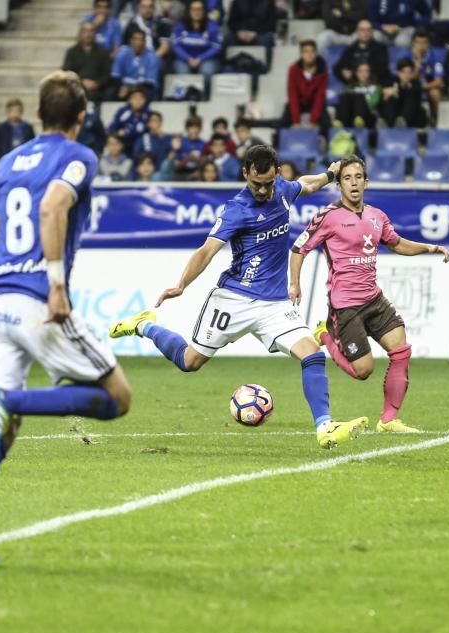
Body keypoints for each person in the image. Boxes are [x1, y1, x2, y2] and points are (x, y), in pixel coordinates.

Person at [0, 71, 132, 564]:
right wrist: (57, 283)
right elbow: (51, 206)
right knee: (117, 398)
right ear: (81, 119)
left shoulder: (6, 161)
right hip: (35, 303)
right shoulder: (78, 156)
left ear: (39, 114)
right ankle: (11, 399)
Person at [108, 146, 368, 449]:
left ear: (277, 174)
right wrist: (181, 285)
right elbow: (206, 250)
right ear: (245, 173)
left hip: (274, 304)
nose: (262, 190)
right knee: (189, 362)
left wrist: (328, 175)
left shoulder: (282, 190)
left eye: (268, 183)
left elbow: (306, 184)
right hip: (234, 299)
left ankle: (325, 427)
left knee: (312, 354)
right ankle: (144, 325)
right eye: (256, 183)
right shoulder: (237, 209)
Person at [289, 155, 449, 433]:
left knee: (401, 351)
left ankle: (389, 420)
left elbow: (397, 244)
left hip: (374, 299)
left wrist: (430, 248)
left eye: (358, 177)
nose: (353, 183)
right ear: (338, 185)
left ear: (366, 182)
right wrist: (295, 284)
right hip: (345, 306)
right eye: (347, 178)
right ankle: (325, 334)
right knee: (363, 371)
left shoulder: (377, 216)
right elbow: (298, 249)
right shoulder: (328, 217)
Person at [283, 40, 331, 132]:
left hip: (314, 103)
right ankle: (276, 145)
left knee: (326, 123)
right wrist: (296, 121)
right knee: (282, 124)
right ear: (301, 54)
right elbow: (293, 95)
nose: (309, 54)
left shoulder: (323, 71)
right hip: (299, 103)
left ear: (316, 54)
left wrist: (313, 120)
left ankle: (323, 144)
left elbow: (320, 97)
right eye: (306, 51)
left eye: (312, 51)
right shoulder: (293, 70)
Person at [63, 21, 112, 103]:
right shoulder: (72, 52)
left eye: (91, 31)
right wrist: (81, 82)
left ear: (95, 33)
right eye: (85, 31)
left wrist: (97, 84)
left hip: (98, 92)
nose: (88, 34)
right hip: (77, 90)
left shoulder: (103, 53)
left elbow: (108, 74)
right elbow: (67, 72)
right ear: (80, 34)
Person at [172, 0, 222, 81]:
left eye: (199, 9)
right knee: (183, 72)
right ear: (189, 11)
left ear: (204, 10)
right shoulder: (180, 24)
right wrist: (188, 58)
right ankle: (187, 93)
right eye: (194, 9)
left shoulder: (212, 25)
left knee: (206, 71)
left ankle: (203, 93)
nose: (197, 12)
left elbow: (216, 47)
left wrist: (200, 58)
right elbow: (176, 45)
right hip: (184, 59)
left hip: (207, 59)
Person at [334, 19, 391, 85]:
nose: (365, 33)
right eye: (362, 30)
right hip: (355, 87)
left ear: (372, 32)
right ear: (357, 31)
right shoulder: (350, 50)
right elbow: (338, 68)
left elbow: (381, 69)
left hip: (375, 85)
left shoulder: (380, 48)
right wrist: (344, 73)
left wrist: (356, 73)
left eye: (368, 30)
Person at [112, 27, 161, 99]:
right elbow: (115, 76)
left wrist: (131, 89)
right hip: (124, 88)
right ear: (131, 41)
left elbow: (150, 83)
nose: (139, 43)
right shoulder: (122, 53)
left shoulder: (152, 57)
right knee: (111, 92)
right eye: (136, 39)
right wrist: (123, 88)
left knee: (148, 93)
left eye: (141, 40)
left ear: (145, 42)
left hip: (143, 89)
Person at [0, 99, 36, 169]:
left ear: (21, 112)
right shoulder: (0, 128)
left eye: (17, 111)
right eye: (13, 111)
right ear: (8, 112)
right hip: (5, 161)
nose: (15, 113)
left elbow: (32, 146)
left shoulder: (27, 127)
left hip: (23, 162)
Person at [379, 57, 428, 128]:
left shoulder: (416, 84)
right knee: (389, 99)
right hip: (393, 113)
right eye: (404, 72)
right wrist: (387, 92)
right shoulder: (391, 81)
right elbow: (383, 91)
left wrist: (397, 89)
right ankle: (385, 123)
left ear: (412, 73)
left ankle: (402, 121)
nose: (406, 75)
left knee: (410, 98)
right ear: (398, 73)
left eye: (409, 72)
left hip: (411, 117)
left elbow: (417, 101)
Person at [407, 28, 444, 120]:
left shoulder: (435, 58)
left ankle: (435, 119)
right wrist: (418, 62)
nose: (421, 46)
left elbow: (439, 81)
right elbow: (406, 79)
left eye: (424, 42)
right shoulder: (406, 57)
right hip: (411, 87)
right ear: (413, 43)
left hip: (428, 87)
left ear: (428, 44)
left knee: (435, 93)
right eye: (418, 42)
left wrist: (424, 86)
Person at [336, 61, 381, 128]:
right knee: (344, 97)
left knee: (359, 97)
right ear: (356, 72)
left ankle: (359, 119)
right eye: (360, 71)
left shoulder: (376, 87)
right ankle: (339, 121)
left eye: (366, 71)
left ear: (370, 73)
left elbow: (373, 102)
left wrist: (360, 102)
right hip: (351, 115)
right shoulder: (349, 87)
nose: (363, 73)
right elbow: (346, 103)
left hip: (368, 115)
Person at [106, 86, 150, 154]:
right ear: (129, 100)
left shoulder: (148, 113)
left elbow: (141, 131)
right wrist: (117, 133)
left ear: (145, 100)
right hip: (122, 142)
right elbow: (111, 128)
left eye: (141, 98)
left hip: (139, 144)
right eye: (134, 98)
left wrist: (126, 132)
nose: (138, 100)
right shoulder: (123, 111)